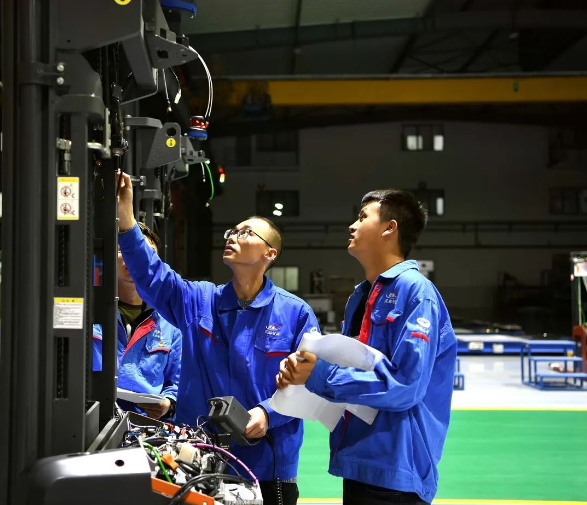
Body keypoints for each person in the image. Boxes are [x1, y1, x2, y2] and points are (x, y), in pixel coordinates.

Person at [116, 173, 319, 505]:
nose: (233, 236)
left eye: (245, 232)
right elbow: (153, 276)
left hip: (268, 466)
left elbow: (308, 385)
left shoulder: (295, 314)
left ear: (269, 254)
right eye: (231, 231)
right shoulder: (199, 300)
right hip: (200, 460)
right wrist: (126, 220)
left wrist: (268, 414)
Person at [277, 189, 457, 505]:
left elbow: (407, 386)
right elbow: (356, 367)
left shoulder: (416, 292)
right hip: (359, 459)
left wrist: (320, 375)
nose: (352, 226)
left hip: (395, 469)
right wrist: (302, 375)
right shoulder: (361, 295)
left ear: (390, 228)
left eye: (362, 218)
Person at [93, 222, 182, 420]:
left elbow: (176, 382)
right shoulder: (89, 312)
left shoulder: (169, 322)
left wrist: (168, 403)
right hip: (93, 420)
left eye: (146, 253)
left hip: (144, 425)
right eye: (123, 250)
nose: (134, 258)